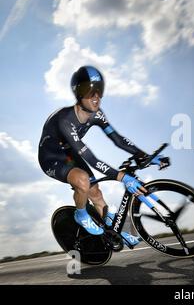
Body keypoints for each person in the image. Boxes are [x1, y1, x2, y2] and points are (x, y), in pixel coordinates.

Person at [38, 65, 170, 248]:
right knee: (83, 181)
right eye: (89, 91)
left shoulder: (97, 114)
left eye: (99, 90)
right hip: (50, 157)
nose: (95, 96)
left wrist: (146, 156)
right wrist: (122, 177)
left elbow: (118, 140)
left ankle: (115, 232)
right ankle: (81, 214)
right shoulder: (65, 119)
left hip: (70, 154)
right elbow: (91, 158)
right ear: (78, 94)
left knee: (96, 192)